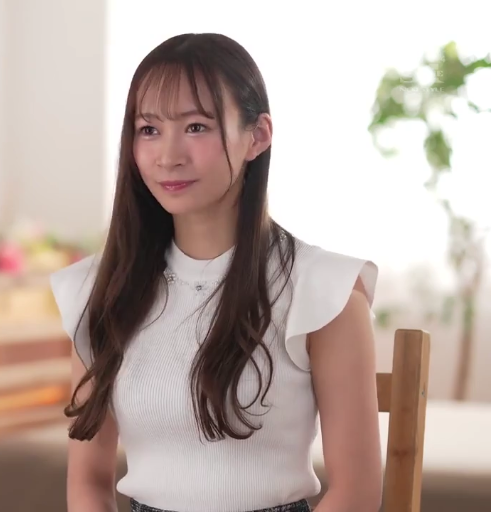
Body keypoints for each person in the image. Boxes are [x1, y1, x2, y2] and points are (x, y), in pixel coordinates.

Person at [49, 33, 383, 512]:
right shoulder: (100, 290)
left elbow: (356, 494)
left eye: (196, 127)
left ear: (258, 136)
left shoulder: (322, 291)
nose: (168, 156)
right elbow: (87, 484)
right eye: (149, 129)